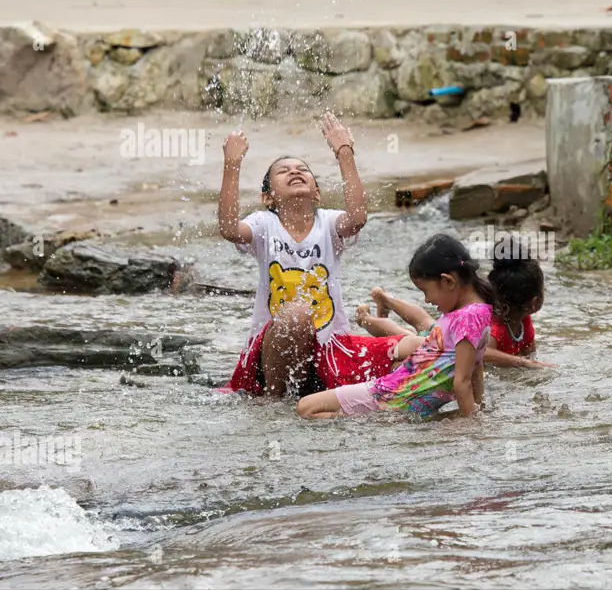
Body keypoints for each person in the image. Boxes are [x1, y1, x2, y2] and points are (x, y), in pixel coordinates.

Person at [217, 113, 403, 398]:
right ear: (268, 198)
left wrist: (344, 152)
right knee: (298, 314)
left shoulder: (329, 224)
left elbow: (357, 218)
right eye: (284, 171)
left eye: (303, 169)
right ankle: (272, 405)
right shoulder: (264, 224)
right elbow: (229, 228)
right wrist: (232, 165)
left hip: (329, 352)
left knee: (409, 351)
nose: (295, 171)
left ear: (316, 192)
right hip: (273, 356)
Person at [296, 234, 493, 420]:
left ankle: (366, 421)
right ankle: (375, 419)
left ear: (447, 281)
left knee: (306, 408)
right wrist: (479, 407)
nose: (427, 300)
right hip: (400, 394)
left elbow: (462, 381)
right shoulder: (477, 312)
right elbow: (476, 366)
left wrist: (471, 425)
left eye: (426, 291)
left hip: (392, 396)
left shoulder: (468, 318)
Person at [354, 234, 554, 369]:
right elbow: (482, 352)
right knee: (405, 333)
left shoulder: (524, 323)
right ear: (534, 303)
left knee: (424, 322)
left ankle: (387, 300)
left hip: (447, 335)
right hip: (443, 342)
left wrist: (531, 364)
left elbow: (530, 354)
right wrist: (522, 364)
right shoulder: (495, 330)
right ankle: (365, 318)